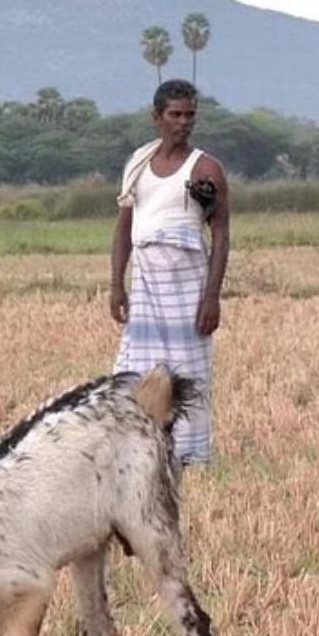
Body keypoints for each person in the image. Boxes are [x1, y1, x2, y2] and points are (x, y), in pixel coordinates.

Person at [110, 80, 229, 466]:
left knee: (187, 376)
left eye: (190, 115)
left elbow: (221, 232)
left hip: (187, 287)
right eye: (175, 115)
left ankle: (190, 457)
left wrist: (212, 296)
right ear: (157, 117)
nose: (183, 122)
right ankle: (137, 455)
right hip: (146, 285)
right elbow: (124, 229)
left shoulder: (205, 169)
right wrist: (116, 285)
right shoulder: (138, 166)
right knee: (136, 374)